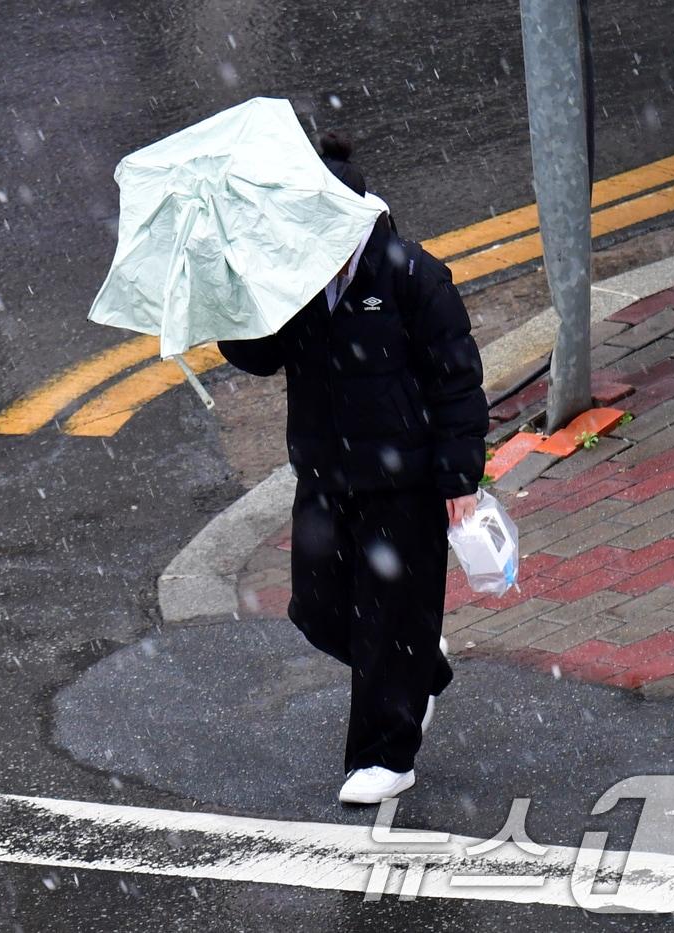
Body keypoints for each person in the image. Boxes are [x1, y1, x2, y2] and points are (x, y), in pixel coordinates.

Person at [217, 132, 489, 805]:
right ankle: (421, 664)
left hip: (405, 482)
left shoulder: (410, 274)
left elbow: (457, 379)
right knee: (317, 609)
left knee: (390, 615)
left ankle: (385, 754)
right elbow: (258, 355)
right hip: (323, 477)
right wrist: (236, 295)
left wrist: (459, 479)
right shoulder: (297, 279)